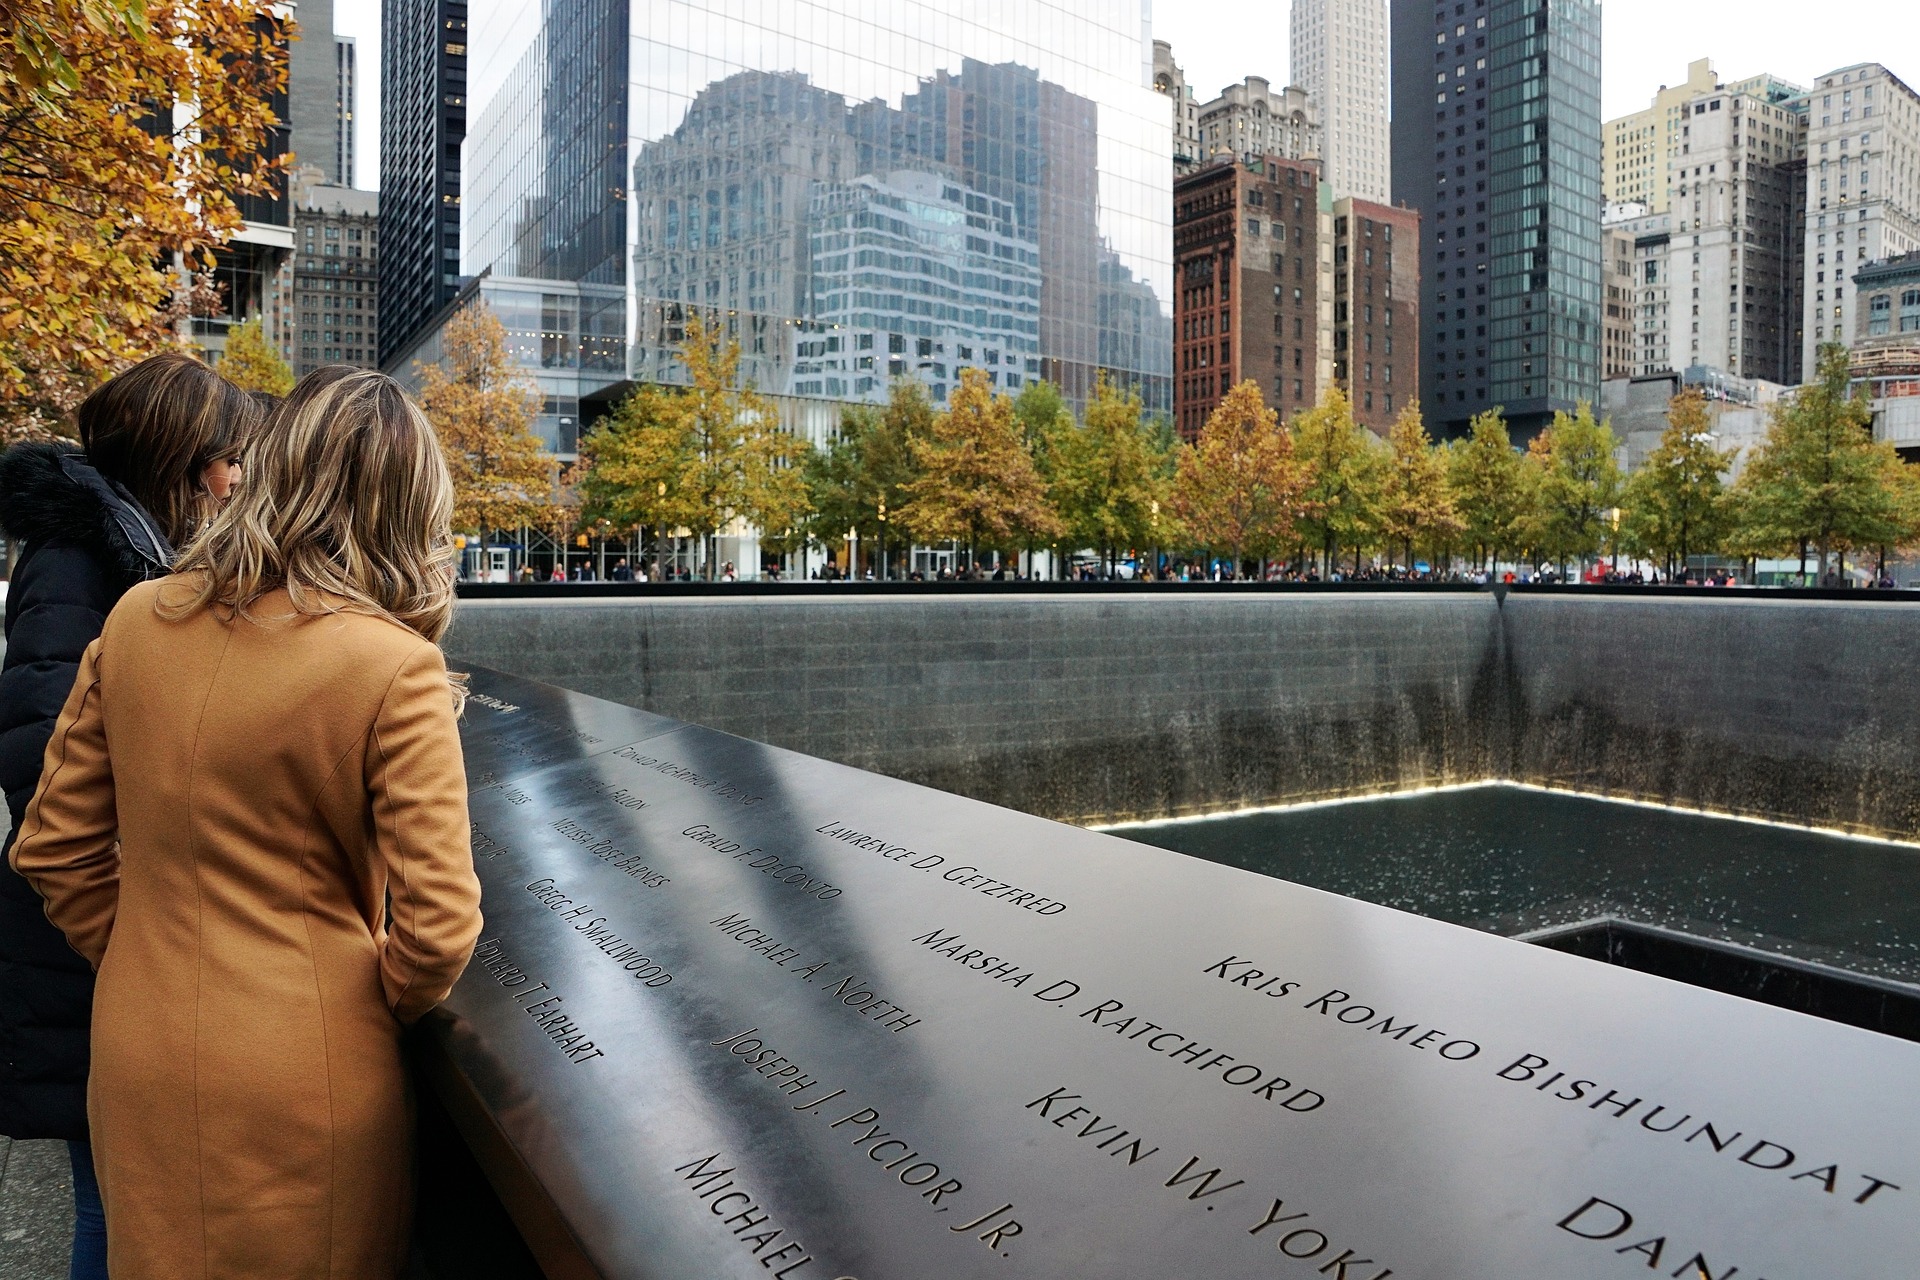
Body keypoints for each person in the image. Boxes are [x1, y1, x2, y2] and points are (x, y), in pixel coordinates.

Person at [10, 368, 484, 1278]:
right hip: (306, 1072)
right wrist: (342, 1005)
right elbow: (439, 931)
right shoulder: (396, 668)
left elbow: (53, 848)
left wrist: (143, 950)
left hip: (138, 1045)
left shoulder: (138, 620)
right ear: (409, 506)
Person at [0, 351, 259, 1280]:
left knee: (126, 1201)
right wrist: (128, 933)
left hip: (100, 936)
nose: (237, 481)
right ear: (184, 459)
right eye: (229, 460)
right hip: (86, 944)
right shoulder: (81, 561)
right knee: (115, 1207)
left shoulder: (118, 549)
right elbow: (43, 763)